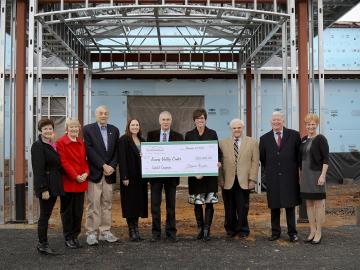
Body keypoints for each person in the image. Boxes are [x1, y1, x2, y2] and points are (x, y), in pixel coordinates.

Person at [259, 111, 301, 242]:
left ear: (283, 121)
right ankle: (275, 232)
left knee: (290, 206)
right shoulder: (264, 138)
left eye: (278, 120)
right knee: (275, 206)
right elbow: (263, 159)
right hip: (273, 177)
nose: (276, 122)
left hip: (289, 177)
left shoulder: (294, 135)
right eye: (273, 120)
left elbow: (298, 156)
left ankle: (292, 233)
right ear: (270, 122)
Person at [83, 105, 120, 246]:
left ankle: (105, 232)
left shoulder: (114, 130)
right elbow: (89, 149)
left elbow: (117, 150)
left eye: (105, 113)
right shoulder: (88, 129)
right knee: (94, 204)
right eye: (100, 113)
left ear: (108, 115)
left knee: (107, 204)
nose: (103, 115)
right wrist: (103, 165)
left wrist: (112, 166)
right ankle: (91, 233)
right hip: (95, 173)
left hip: (109, 173)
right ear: (95, 115)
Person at [219, 118, 259, 238]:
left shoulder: (252, 142)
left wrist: (252, 179)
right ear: (231, 129)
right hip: (227, 180)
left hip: (244, 180)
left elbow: (255, 162)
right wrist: (220, 179)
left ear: (243, 128)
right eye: (234, 128)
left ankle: (243, 229)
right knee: (229, 206)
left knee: (243, 207)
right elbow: (219, 163)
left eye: (239, 127)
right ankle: (230, 229)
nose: (237, 130)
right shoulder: (222, 143)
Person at [147, 111, 183, 242]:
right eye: (163, 119)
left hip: (171, 177)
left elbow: (181, 156)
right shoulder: (151, 135)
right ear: (159, 121)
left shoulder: (178, 136)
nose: (166, 122)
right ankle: (156, 233)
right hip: (156, 177)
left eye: (168, 119)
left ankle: (171, 232)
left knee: (171, 206)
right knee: (155, 206)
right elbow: (148, 153)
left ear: (171, 121)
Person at [185, 108, 220, 241]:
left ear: (205, 119)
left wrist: (218, 161)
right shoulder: (189, 135)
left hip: (209, 176)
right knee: (198, 203)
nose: (200, 120)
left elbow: (217, 151)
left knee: (209, 203)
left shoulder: (212, 133)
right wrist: (194, 172)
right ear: (194, 120)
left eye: (202, 118)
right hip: (195, 176)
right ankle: (200, 229)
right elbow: (186, 155)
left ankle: (207, 230)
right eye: (198, 118)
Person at [31, 118, 64, 255]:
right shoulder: (38, 146)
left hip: (54, 184)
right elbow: (38, 170)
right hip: (46, 186)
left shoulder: (51, 145)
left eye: (50, 128)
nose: (48, 131)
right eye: (45, 129)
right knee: (44, 216)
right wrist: (43, 189)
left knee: (47, 214)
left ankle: (43, 243)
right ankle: (42, 243)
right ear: (40, 131)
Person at [56, 118, 89, 249]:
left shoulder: (81, 142)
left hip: (81, 182)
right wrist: (76, 176)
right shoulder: (61, 142)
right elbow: (64, 162)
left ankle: (75, 236)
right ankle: (68, 237)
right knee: (67, 212)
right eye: (72, 127)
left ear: (79, 128)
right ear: (67, 128)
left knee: (78, 212)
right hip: (68, 183)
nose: (74, 129)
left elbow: (85, 161)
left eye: (76, 127)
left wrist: (86, 173)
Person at [300, 114, 329, 245]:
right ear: (305, 125)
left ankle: (319, 232)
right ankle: (312, 230)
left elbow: (326, 159)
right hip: (305, 176)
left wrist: (323, 175)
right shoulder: (304, 139)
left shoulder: (321, 139)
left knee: (318, 205)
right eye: (308, 124)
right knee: (309, 204)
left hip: (317, 175)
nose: (311, 126)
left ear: (316, 125)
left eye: (313, 124)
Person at [118, 118, 148, 241]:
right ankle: (131, 230)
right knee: (130, 204)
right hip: (129, 178)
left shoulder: (143, 140)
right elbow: (122, 159)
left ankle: (136, 229)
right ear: (128, 126)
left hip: (140, 178)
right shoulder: (123, 140)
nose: (135, 127)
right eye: (132, 125)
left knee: (138, 203)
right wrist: (124, 176)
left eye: (137, 125)